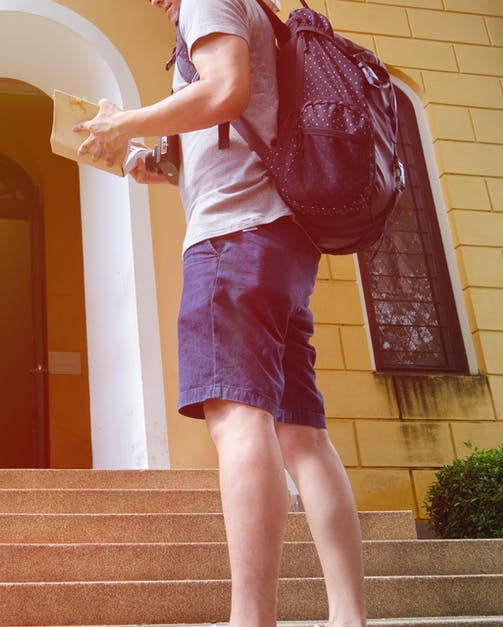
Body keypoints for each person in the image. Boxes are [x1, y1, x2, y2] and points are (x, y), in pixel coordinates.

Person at [74, 1, 367, 625]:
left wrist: (127, 120)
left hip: (233, 240)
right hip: (281, 239)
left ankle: (251, 619)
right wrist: (135, 158)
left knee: (238, 421)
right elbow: (224, 133)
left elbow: (227, 91)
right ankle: (348, 617)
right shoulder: (251, 8)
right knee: (302, 436)